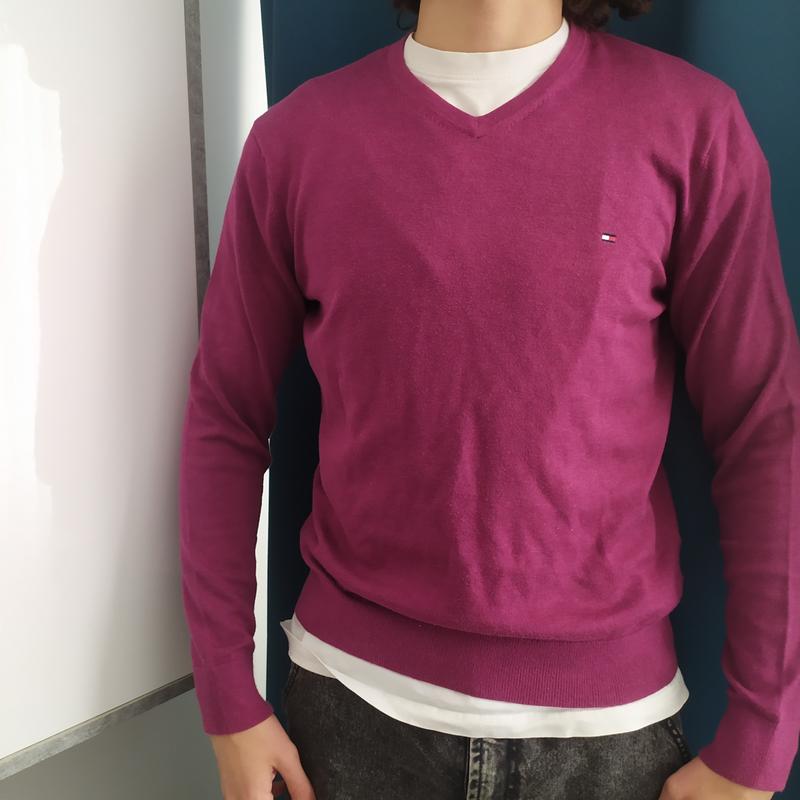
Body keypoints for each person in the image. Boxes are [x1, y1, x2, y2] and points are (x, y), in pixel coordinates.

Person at [178, 1, 800, 798]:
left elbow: (764, 428)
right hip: (347, 719)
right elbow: (225, 414)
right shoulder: (298, 140)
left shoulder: (691, 126)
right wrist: (226, 695)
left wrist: (759, 739)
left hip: (612, 743)